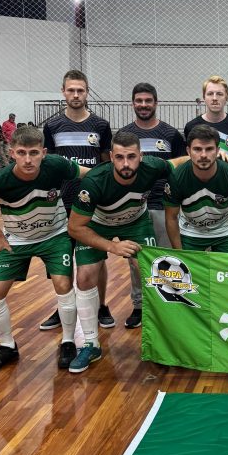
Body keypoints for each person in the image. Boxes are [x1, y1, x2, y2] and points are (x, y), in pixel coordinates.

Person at [0, 126, 86, 373]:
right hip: (16, 239)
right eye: (21, 153)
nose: (28, 159)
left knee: (63, 284)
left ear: (44, 152)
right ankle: (7, 347)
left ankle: (67, 342)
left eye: (33, 153)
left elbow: (87, 174)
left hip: (55, 235)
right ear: (12, 153)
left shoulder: (56, 165)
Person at [67, 131, 173, 373]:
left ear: (141, 156)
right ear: (111, 157)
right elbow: (74, 228)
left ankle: (160, 337)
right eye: (120, 157)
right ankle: (91, 344)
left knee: (150, 271)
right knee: (84, 276)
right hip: (97, 224)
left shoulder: (153, 167)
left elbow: (177, 163)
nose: (126, 163)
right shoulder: (94, 182)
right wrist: (112, 246)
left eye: (132, 157)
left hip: (135, 223)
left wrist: (217, 155)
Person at [41, 70, 113, 330]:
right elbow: (47, 165)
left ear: (87, 93)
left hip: (91, 205)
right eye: (71, 90)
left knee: (96, 260)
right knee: (62, 260)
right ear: (63, 92)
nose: (75, 95)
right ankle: (65, 308)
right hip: (61, 204)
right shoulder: (52, 127)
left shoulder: (101, 126)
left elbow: (106, 166)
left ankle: (102, 306)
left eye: (80, 90)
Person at [118, 83, 185, 327]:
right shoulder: (124, 135)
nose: (143, 105)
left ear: (156, 103)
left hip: (163, 204)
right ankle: (139, 305)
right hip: (133, 208)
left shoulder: (170, 134)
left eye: (148, 101)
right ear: (133, 103)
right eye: (139, 101)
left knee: (167, 258)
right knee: (136, 259)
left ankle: (169, 304)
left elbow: (182, 162)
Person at [165, 125, 228, 253]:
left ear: (217, 150)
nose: (203, 155)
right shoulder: (177, 177)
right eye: (197, 149)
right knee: (189, 266)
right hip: (191, 230)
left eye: (209, 149)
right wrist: (179, 253)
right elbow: (171, 217)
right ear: (188, 151)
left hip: (225, 230)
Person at [184, 76, 228, 168]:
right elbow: (188, 158)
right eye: (210, 94)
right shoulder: (191, 126)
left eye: (219, 94)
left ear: (226, 97)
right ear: (204, 97)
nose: (214, 98)